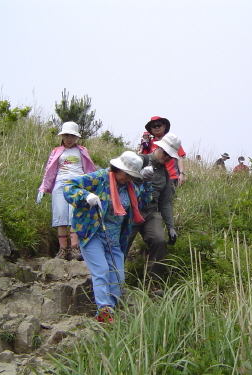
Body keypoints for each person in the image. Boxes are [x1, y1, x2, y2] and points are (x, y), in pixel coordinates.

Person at [63, 151, 153, 323]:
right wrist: (85, 196)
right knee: (102, 271)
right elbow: (68, 186)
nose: (128, 179)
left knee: (119, 278)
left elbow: (143, 201)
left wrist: (147, 183)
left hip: (115, 240)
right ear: (117, 168)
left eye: (131, 176)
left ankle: (109, 310)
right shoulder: (99, 178)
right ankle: (104, 312)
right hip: (93, 234)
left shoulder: (130, 187)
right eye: (126, 174)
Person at [128, 132, 182, 296]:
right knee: (122, 243)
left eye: (170, 156)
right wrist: (140, 178)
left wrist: (171, 227)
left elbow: (165, 202)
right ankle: (114, 280)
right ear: (158, 147)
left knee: (159, 240)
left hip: (151, 212)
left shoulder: (165, 174)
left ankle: (152, 283)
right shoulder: (139, 160)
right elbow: (121, 181)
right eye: (165, 152)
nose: (166, 157)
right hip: (131, 209)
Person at [36, 121, 96, 261]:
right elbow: (49, 171)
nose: (69, 139)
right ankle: (62, 249)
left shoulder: (82, 150)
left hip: (77, 184)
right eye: (66, 136)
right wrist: (43, 188)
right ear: (62, 136)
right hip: (60, 185)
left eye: (72, 136)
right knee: (60, 216)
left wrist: (94, 187)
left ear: (76, 137)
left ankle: (75, 247)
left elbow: (90, 169)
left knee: (74, 215)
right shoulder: (57, 151)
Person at [145, 116, 186, 188]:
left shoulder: (173, 142)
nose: (157, 128)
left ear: (164, 126)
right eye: (154, 126)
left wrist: (182, 173)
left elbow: (180, 158)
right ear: (151, 129)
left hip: (172, 177)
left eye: (159, 125)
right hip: (154, 178)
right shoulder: (148, 144)